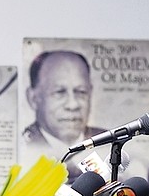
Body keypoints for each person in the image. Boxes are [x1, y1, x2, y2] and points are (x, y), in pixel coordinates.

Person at [21, 50, 105, 183]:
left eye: (81, 92)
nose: (73, 105)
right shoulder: (21, 146)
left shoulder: (109, 144)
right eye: (59, 92)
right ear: (33, 98)